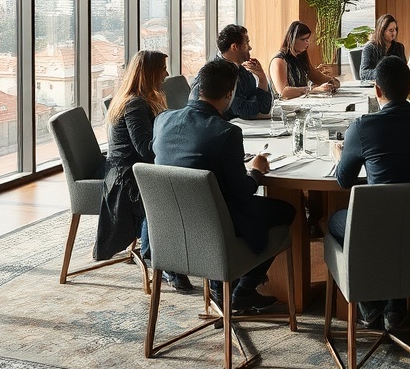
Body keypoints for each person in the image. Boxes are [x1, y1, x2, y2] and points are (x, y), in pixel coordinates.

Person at [153, 58, 296, 312]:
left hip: (169, 232)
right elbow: (242, 193)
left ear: (198, 88)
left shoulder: (163, 120)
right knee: (287, 211)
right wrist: (255, 172)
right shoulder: (225, 132)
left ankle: (225, 288)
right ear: (230, 94)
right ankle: (243, 290)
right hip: (216, 231)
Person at [328, 56, 410, 331]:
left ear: (377, 90)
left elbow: (344, 180)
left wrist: (341, 154)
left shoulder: (363, 127)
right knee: (401, 227)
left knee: (334, 221)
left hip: (375, 229)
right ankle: (395, 307)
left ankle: (369, 304)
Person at [94, 50, 167, 263]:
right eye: (162, 69)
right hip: (126, 177)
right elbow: (145, 148)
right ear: (150, 74)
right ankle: (152, 256)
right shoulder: (135, 104)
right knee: (171, 195)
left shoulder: (139, 99)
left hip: (129, 168)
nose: (166, 74)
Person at [190, 23, 271, 120]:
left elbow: (264, 108)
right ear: (234, 47)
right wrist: (254, 102)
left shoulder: (241, 69)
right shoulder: (218, 74)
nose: (250, 48)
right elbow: (247, 111)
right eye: (247, 43)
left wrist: (261, 77)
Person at [269, 20, 341, 100]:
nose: (307, 43)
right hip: (284, 107)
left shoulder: (301, 56)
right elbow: (284, 92)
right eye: (303, 40)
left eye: (308, 39)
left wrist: (331, 82)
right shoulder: (279, 61)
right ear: (292, 40)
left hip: (301, 103)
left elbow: (316, 76)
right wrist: (312, 89)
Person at [358, 13, 406, 81]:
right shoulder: (370, 48)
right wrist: (385, 73)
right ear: (382, 31)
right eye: (391, 30)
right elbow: (364, 74)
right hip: (375, 85)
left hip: (395, 85)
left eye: (395, 29)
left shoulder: (399, 47)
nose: (394, 33)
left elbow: (404, 69)